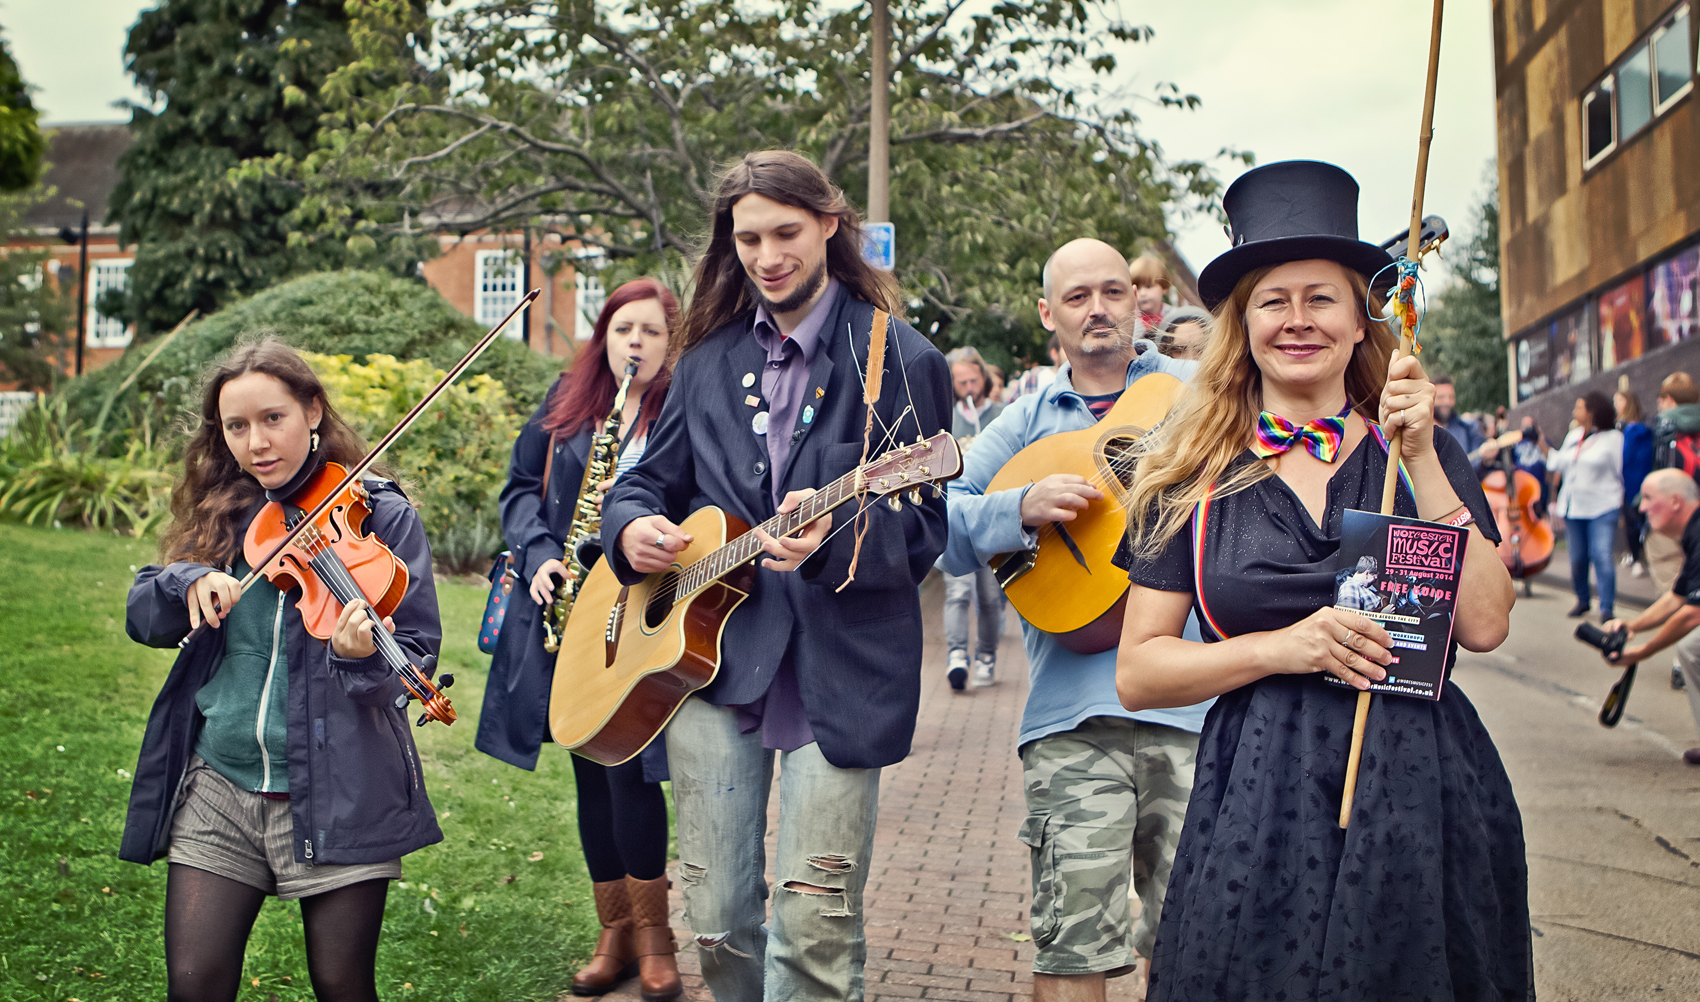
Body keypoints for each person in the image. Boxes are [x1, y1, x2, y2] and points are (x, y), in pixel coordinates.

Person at [1115, 160, 1526, 1002]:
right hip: (1259, 790)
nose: (1298, 320)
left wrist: (1422, 461)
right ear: (1243, 323)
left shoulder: (1419, 452)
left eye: (1322, 298)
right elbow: (1140, 671)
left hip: (1420, 786)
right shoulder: (1186, 474)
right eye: (1274, 300)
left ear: (1360, 320)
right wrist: (1284, 648)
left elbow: (1485, 625)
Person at [600, 150, 951, 1002]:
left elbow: (924, 527)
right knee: (717, 921)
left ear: (830, 224)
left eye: (785, 232)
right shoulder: (705, 360)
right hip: (710, 665)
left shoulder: (901, 358)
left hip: (842, 669)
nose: (767, 256)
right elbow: (648, 482)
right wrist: (630, 527)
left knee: (814, 930)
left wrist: (832, 543)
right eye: (748, 238)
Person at [121, 338, 445, 1002]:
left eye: (273, 418)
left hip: (340, 786)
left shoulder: (379, 514)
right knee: (194, 985)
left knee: (341, 984)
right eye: (236, 426)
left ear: (312, 411)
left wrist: (358, 659)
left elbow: (412, 655)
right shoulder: (224, 513)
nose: (257, 443)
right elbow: (143, 615)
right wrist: (186, 582)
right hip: (220, 784)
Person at [940, 236, 1209, 1001]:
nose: (1098, 309)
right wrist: (1018, 507)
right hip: (1071, 719)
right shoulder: (1023, 421)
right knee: (1071, 952)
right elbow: (941, 529)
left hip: (1199, 706)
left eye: (1113, 291)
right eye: (1078, 296)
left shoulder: (1197, 393)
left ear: (1137, 303)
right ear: (1047, 314)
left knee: (1197, 944)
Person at [476, 278, 681, 999]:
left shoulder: (680, 414)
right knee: (589, 772)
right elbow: (517, 491)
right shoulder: (568, 403)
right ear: (604, 337)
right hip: (568, 610)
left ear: (671, 343)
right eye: (624, 329)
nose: (636, 343)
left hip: (640, 612)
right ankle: (614, 933)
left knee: (630, 770)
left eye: (651, 331)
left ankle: (655, 938)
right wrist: (538, 556)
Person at [1602, 468, 1700, 764]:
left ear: (1675, 502)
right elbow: (1677, 597)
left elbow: (1692, 614)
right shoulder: (1693, 533)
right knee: (1691, 647)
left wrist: (1643, 651)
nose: (1641, 507)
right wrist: (1631, 625)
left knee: (1692, 646)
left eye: (1647, 498)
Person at [942, 345, 1008, 690]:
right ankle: (956, 655)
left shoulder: (1001, 414)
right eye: (961, 382)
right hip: (956, 517)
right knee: (957, 591)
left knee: (989, 596)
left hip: (992, 516)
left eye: (973, 380)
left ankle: (986, 655)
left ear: (983, 377)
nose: (969, 387)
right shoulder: (947, 418)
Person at [1549, 391, 1625, 620]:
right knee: (1578, 558)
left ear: (1592, 412)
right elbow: (1557, 462)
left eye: (1579, 407)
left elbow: (1620, 470)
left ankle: (1606, 608)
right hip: (1574, 508)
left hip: (1602, 506)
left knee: (1601, 555)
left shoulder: (1613, 438)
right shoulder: (1574, 436)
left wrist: (1622, 504)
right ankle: (1582, 600)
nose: (1575, 411)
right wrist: (1541, 443)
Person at [1617, 387, 1654, 579]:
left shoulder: (1630, 430)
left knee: (1635, 520)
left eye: (1619, 401)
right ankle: (1636, 557)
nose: (1616, 405)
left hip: (1634, 482)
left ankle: (1638, 558)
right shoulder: (1640, 429)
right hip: (1637, 481)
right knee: (1635, 521)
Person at [1432, 374, 1484, 456]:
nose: (1447, 402)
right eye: (1441, 397)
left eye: (1451, 397)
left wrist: (1486, 459)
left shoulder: (1467, 429)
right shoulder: (1418, 431)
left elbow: (1473, 460)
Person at [1006, 333, 1063, 402]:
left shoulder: (1074, 383)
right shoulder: (1031, 378)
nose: (1072, 353)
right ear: (1054, 353)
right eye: (1067, 348)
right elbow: (1012, 405)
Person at [1127, 253, 1173, 334]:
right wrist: (1136, 321)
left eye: (1148, 286)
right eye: (1137, 288)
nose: (1142, 293)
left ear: (1164, 287)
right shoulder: (1130, 319)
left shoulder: (1173, 316)